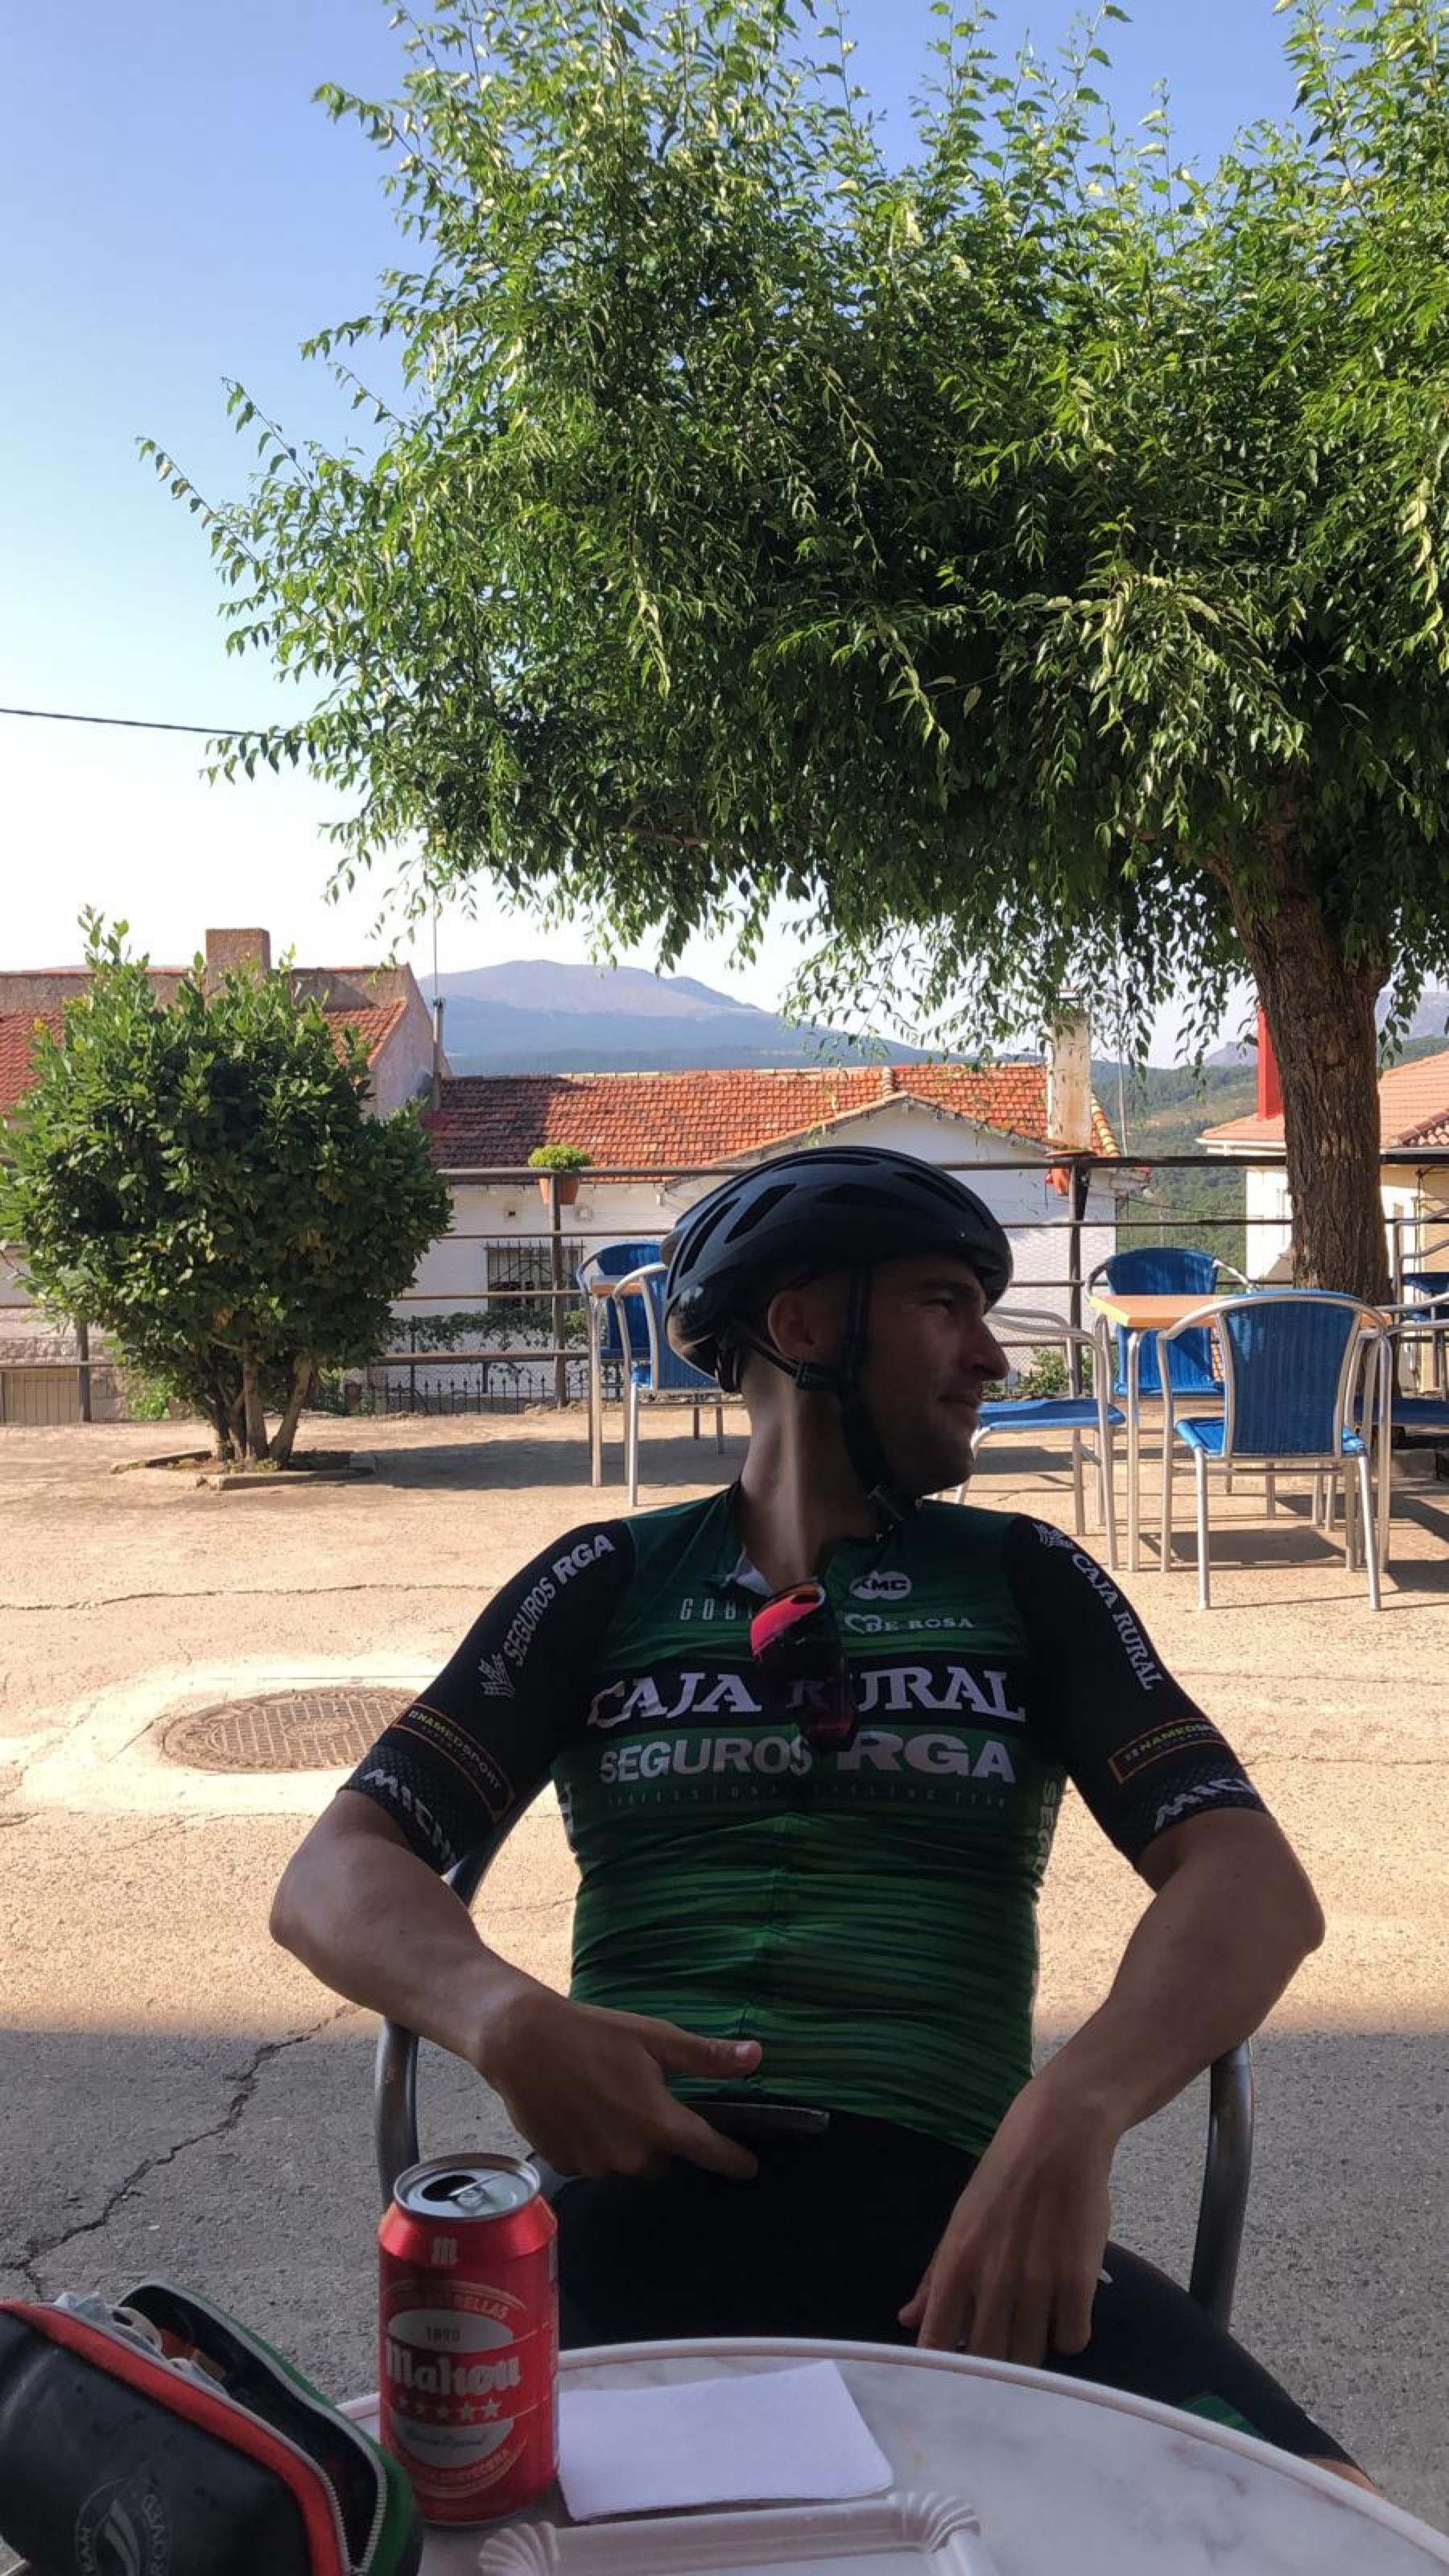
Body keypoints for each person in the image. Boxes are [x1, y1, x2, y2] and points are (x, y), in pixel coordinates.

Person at [272, 1146, 1369, 2487]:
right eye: (945, 1304)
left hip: (957, 2233)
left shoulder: (1027, 1577)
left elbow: (1253, 1882)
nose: (992, 1357)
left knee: (1341, 2520)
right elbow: (334, 1870)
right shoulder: (602, 1580)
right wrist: (500, 2015)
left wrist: (1075, 2109)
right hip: (628, 2219)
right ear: (802, 1328)